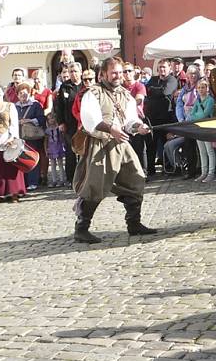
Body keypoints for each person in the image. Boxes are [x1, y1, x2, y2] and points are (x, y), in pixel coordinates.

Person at [73, 57, 155, 243]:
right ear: (103, 74)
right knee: (95, 186)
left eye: (120, 72)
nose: (118, 76)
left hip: (121, 143)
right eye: (114, 73)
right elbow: (90, 120)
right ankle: (81, 228)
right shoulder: (93, 93)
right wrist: (111, 129)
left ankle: (134, 224)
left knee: (135, 179)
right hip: (99, 144)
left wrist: (139, 127)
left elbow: (130, 121)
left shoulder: (126, 95)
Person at [144, 60, 178, 177]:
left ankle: (167, 168)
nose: (161, 70)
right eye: (159, 68)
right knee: (151, 145)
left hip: (166, 118)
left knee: (165, 144)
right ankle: (150, 169)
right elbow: (146, 92)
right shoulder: (153, 79)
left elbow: (165, 92)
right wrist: (156, 90)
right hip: (152, 118)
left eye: (164, 67)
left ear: (169, 68)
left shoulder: (172, 80)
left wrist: (155, 90)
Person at [54, 61, 83, 186]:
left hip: (83, 124)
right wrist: (60, 122)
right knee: (70, 153)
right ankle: (71, 179)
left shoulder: (85, 86)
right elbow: (59, 107)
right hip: (69, 124)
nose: (73, 74)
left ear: (80, 72)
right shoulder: (64, 87)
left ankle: (84, 177)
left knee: (84, 151)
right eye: (71, 71)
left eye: (75, 71)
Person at [15, 82, 46, 191]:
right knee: (21, 159)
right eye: (20, 93)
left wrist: (30, 121)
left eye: (25, 93)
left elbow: (42, 119)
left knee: (32, 158)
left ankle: (34, 181)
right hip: (20, 136)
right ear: (17, 95)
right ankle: (24, 182)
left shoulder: (35, 105)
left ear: (29, 93)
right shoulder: (15, 106)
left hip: (32, 136)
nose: (23, 95)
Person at [175, 66, 204, 180]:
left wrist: (192, 117)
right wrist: (181, 119)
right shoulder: (184, 89)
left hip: (198, 120)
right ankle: (191, 171)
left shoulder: (201, 86)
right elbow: (179, 105)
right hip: (186, 122)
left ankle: (202, 169)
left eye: (194, 74)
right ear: (187, 75)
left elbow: (201, 103)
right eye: (190, 74)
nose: (192, 76)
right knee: (189, 147)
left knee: (201, 146)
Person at [187, 79, 216, 183]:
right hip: (199, 127)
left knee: (209, 151)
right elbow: (191, 113)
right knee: (202, 151)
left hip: (207, 127)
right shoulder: (197, 100)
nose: (200, 89)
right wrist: (196, 116)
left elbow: (205, 114)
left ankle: (211, 173)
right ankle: (204, 172)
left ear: (207, 88)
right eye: (199, 88)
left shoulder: (210, 100)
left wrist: (196, 116)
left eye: (203, 87)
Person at [123, 62, 148, 176]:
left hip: (136, 119)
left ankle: (143, 172)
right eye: (124, 71)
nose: (127, 73)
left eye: (129, 71)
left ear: (133, 72)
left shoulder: (139, 86)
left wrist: (126, 104)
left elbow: (139, 99)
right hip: (122, 121)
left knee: (139, 148)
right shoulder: (120, 87)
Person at [45, 113, 66, 187]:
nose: (51, 120)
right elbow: (46, 140)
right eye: (49, 119)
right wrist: (46, 149)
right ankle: (54, 180)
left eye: (52, 118)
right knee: (53, 164)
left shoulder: (59, 128)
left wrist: (63, 145)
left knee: (60, 163)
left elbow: (62, 137)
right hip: (51, 147)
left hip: (59, 146)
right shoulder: (47, 130)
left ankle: (62, 180)